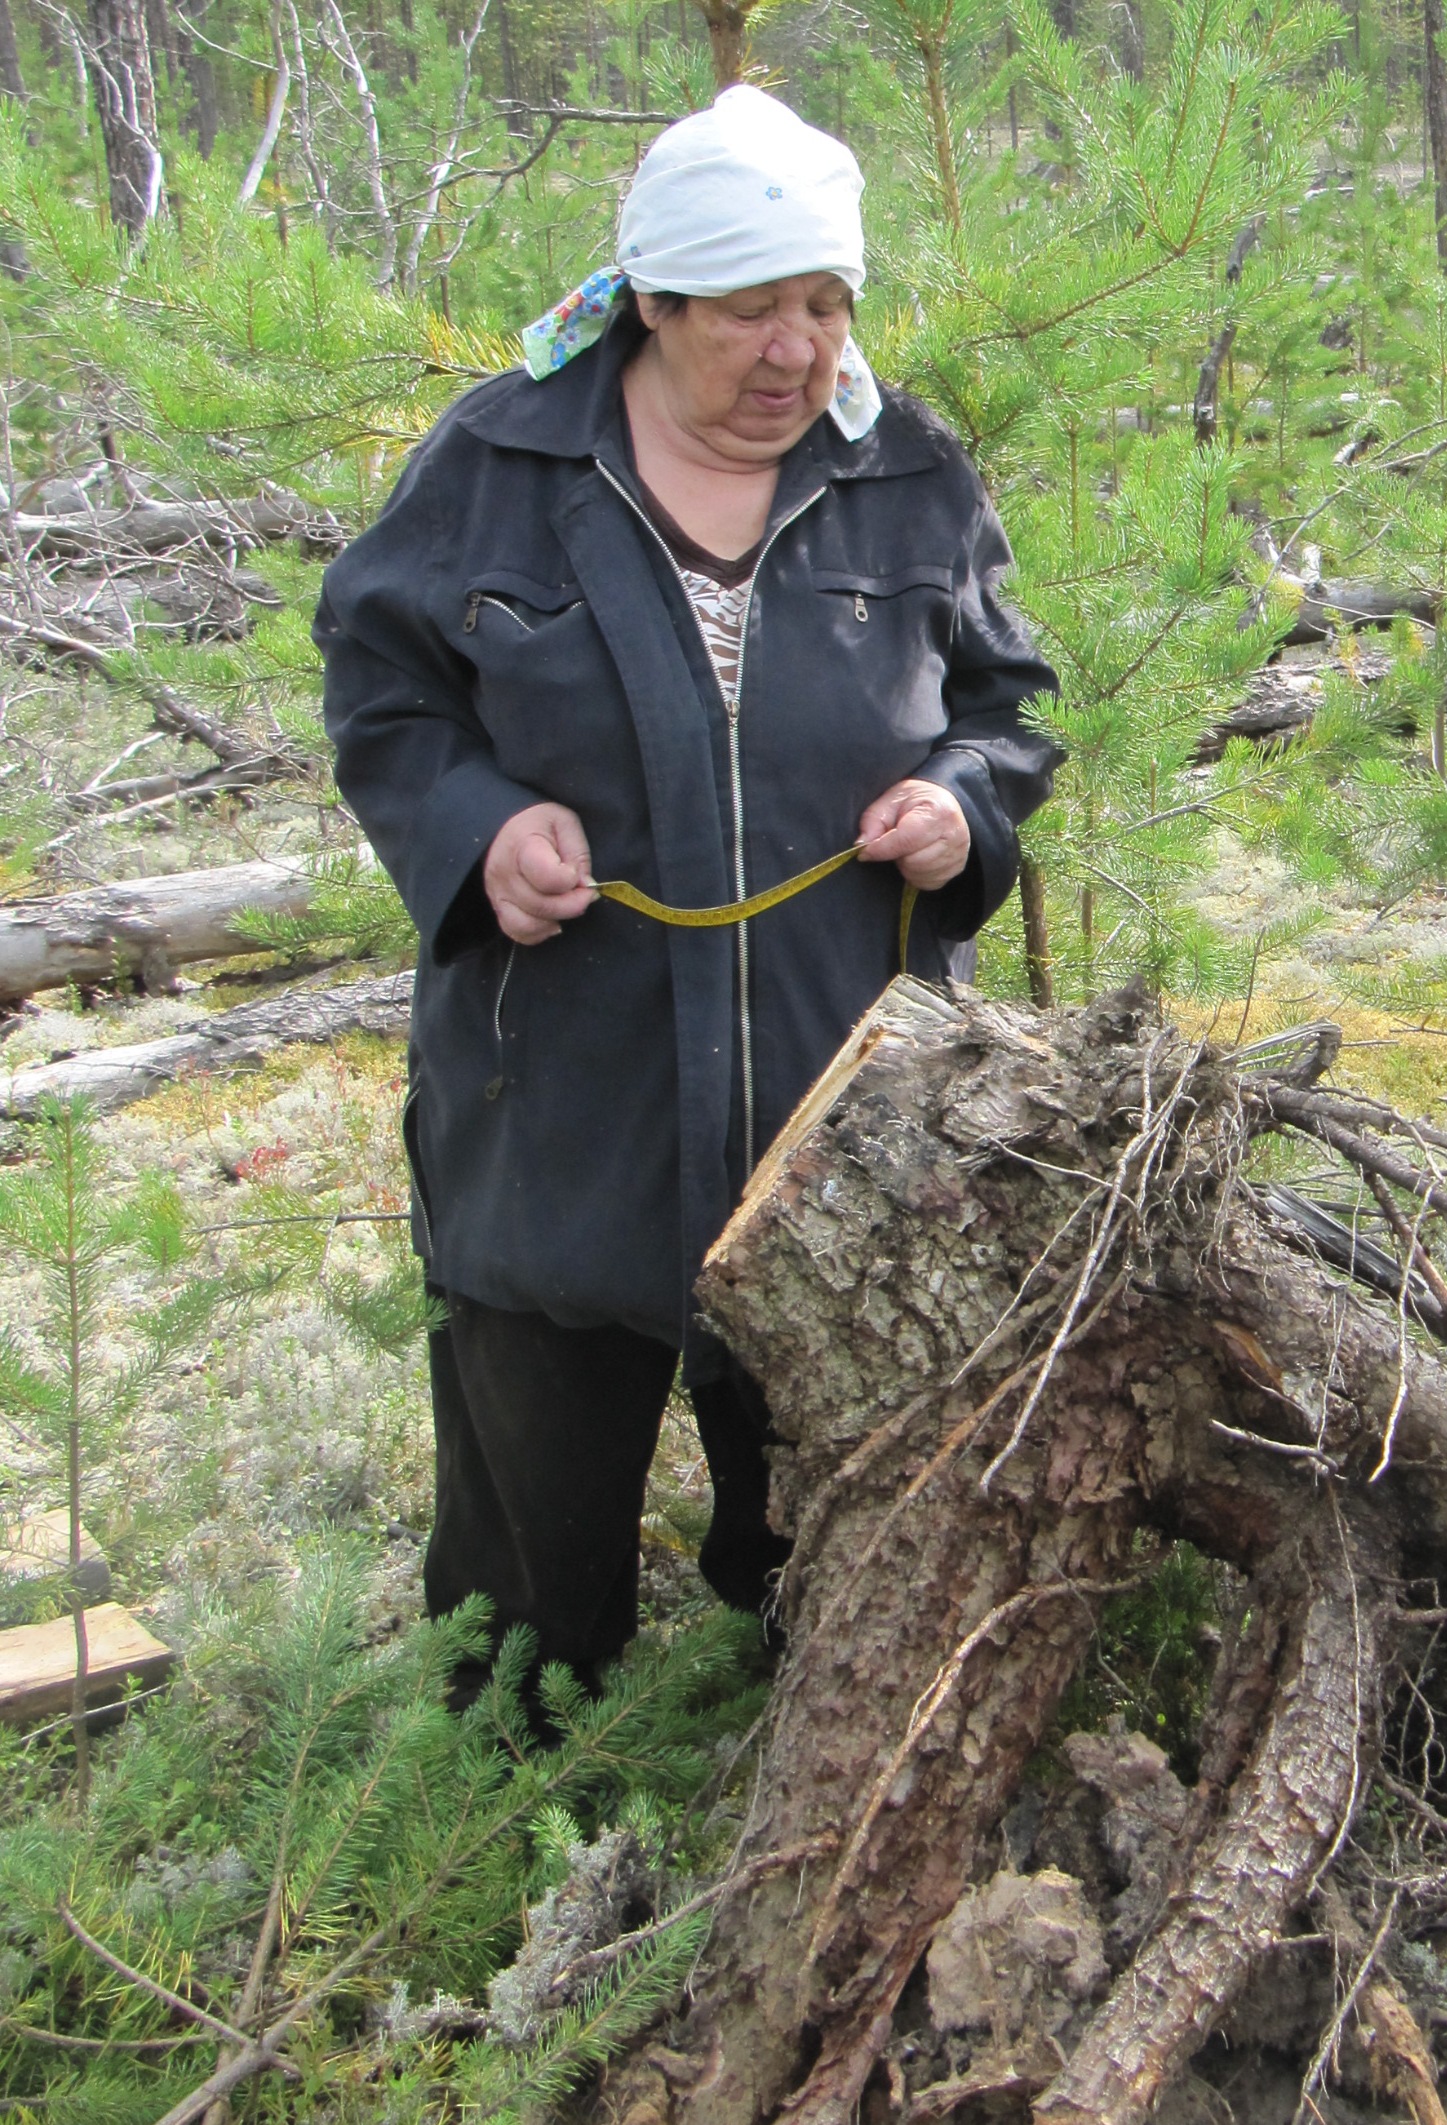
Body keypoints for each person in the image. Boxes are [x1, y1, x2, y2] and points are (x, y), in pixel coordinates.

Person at [317, 86, 1061, 1698]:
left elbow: (1011, 706)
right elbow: (383, 697)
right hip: (555, 1105)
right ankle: (511, 1799)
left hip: (841, 1116)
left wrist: (962, 804)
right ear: (649, 302)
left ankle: (809, 1759)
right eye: (749, 311)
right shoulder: (498, 463)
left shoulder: (908, 469)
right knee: (530, 1561)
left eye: (826, 302)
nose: (798, 349)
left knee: (832, 1530)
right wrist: (478, 824)